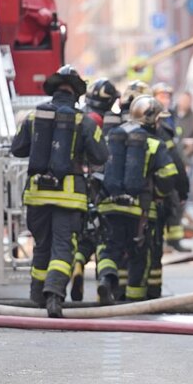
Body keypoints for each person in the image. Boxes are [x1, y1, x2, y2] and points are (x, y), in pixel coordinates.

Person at [10, 66, 108, 317]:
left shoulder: (33, 118)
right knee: (63, 247)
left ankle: (36, 294)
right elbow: (101, 156)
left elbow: (18, 149)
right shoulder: (83, 121)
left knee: (42, 245)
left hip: (36, 195)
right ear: (76, 93)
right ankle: (54, 295)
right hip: (69, 197)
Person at [95, 95, 179, 302]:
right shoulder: (154, 143)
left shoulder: (112, 136)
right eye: (158, 118)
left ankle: (106, 279)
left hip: (109, 204)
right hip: (139, 209)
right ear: (150, 119)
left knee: (110, 250)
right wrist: (159, 192)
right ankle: (135, 301)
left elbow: (99, 166)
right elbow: (169, 175)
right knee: (139, 255)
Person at [70, 78, 120, 302]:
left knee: (85, 233)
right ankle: (104, 282)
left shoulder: (79, 117)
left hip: (80, 183)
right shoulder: (110, 121)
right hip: (104, 184)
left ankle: (78, 263)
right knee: (105, 238)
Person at [152, 82, 190, 253]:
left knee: (175, 205)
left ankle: (174, 240)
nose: (165, 100)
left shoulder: (173, 117)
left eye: (167, 96)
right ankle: (162, 240)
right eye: (161, 96)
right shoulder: (154, 118)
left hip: (174, 166)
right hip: (161, 170)